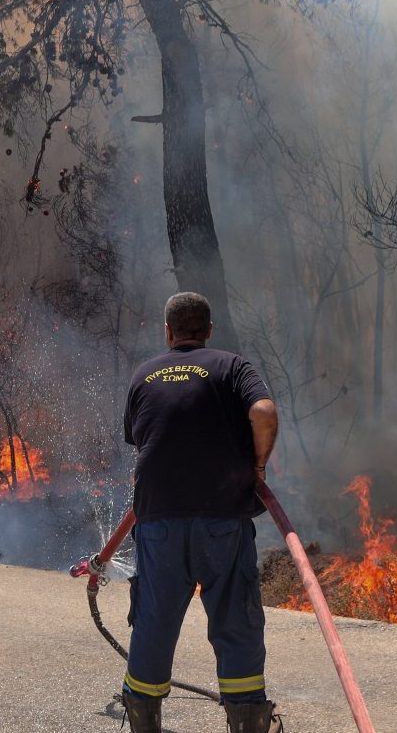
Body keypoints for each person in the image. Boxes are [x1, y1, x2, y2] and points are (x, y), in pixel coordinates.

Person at [120, 293, 281, 733]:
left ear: (168, 332)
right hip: (222, 518)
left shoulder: (143, 374)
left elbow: (147, 440)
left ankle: (143, 720)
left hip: (158, 519)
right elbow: (264, 413)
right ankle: (248, 719)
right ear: (209, 330)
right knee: (235, 619)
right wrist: (259, 464)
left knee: (153, 619)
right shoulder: (232, 365)